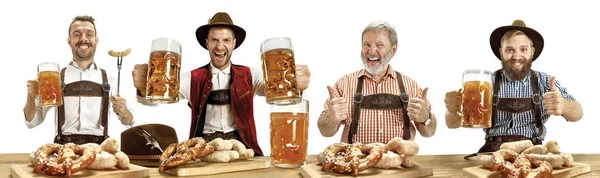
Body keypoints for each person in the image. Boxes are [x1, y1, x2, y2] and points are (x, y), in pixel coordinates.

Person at [132, 12, 311, 156]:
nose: (220, 46)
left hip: (243, 146)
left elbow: (273, 92)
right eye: (214, 40)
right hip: (203, 147)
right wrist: (142, 89)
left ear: (234, 44)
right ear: (207, 43)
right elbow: (158, 99)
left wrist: (295, 85)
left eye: (226, 40)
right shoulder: (192, 78)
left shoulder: (250, 74)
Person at [444, 20, 584, 153]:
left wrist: (564, 105)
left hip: (533, 153)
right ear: (501, 52)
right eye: (510, 50)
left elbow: (578, 113)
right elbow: (451, 123)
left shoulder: (545, 81)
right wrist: (453, 110)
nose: (517, 56)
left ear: (532, 52)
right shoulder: (485, 82)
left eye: (523, 49)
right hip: (493, 153)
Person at [317, 21, 437, 144]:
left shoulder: (410, 85)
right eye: (366, 45)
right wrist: (330, 119)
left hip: (400, 161)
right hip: (355, 160)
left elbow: (429, 132)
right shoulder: (344, 84)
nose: (372, 51)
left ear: (393, 49)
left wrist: (425, 119)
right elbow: (325, 131)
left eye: (379, 45)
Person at [23, 15, 135, 145]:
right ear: (69, 40)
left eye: (89, 34)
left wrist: (124, 111)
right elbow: (32, 121)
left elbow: (129, 121)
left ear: (96, 40)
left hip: (100, 151)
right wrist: (31, 97)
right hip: (64, 152)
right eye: (77, 35)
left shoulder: (109, 80)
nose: (83, 39)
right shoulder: (54, 79)